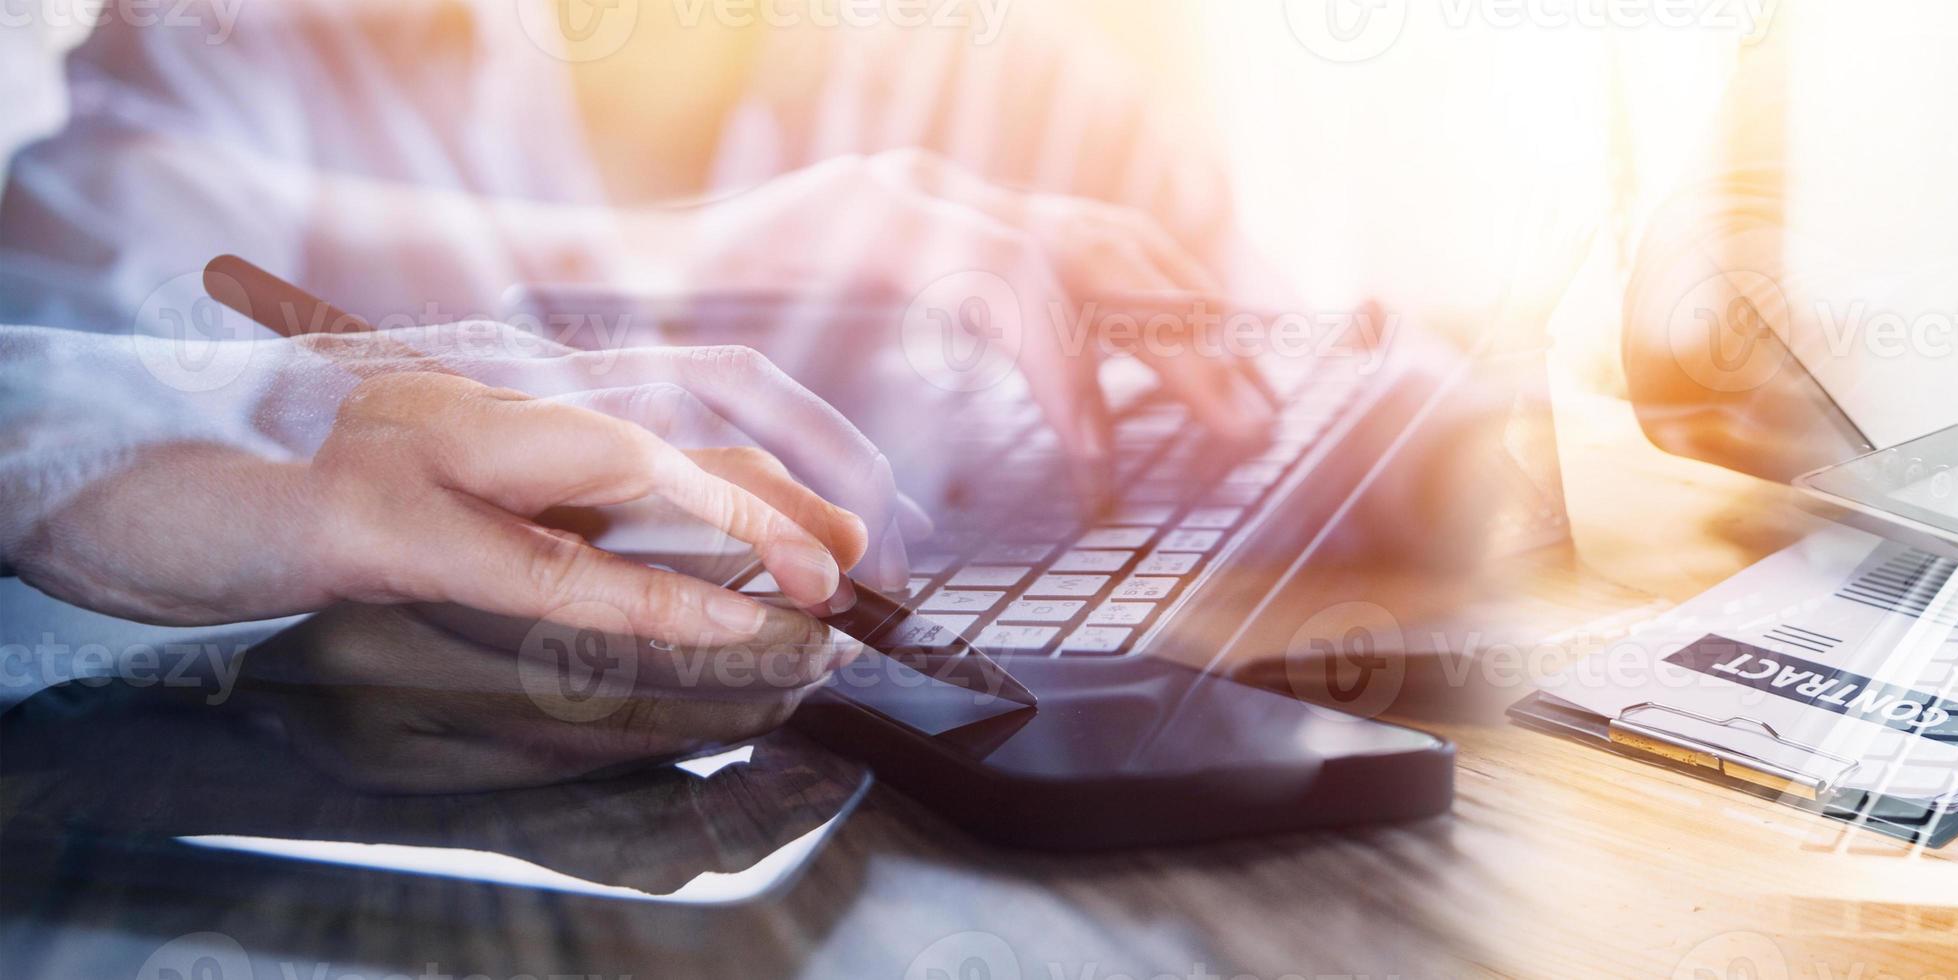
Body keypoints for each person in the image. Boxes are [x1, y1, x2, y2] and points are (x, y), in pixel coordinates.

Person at [0, 1, 1277, 790]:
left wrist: (1428, 458)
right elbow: (54, 382)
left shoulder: (1008, 59)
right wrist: (680, 248)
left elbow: (1284, 375)